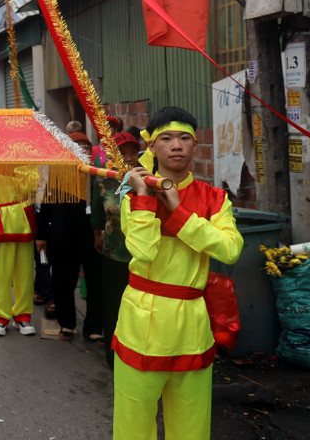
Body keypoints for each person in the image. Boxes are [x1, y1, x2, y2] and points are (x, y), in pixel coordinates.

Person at [112, 107, 243, 440]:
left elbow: (230, 249)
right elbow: (143, 250)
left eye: (185, 138)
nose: (176, 145)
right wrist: (145, 198)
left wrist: (178, 210)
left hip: (192, 323)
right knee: (133, 423)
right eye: (167, 138)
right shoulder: (134, 196)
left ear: (195, 146)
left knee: (191, 426)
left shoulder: (215, 198)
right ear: (152, 147)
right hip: (142, 319)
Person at [35, 132, 103, 342]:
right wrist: (41, 236)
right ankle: (67, 323)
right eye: (76, 146)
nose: (81, 149)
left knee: (96, 282)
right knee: (63, 281)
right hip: (62, 236)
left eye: (85, 146)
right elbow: (44, 206)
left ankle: (94, 327)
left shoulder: (96, 173)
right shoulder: (58, 174)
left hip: (92, 236)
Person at [89, 131, 141, 366]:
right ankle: (114, 357)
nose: (129, 158)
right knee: (114, 306)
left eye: (133, 152)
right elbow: (96, 213)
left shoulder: (147, 179)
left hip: (141, 255)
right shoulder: (104, 180)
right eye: (123, 153)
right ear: (112, 155)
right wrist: (97, 234)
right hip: (114, 252)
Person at [0, 164, 40, 336]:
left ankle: (23, 315)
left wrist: (19, 168)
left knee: (25, 273)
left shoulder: (26, 160)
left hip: (23, 221)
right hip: (0, 222)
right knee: (1, 273)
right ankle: (0, 317)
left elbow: (30, 187)